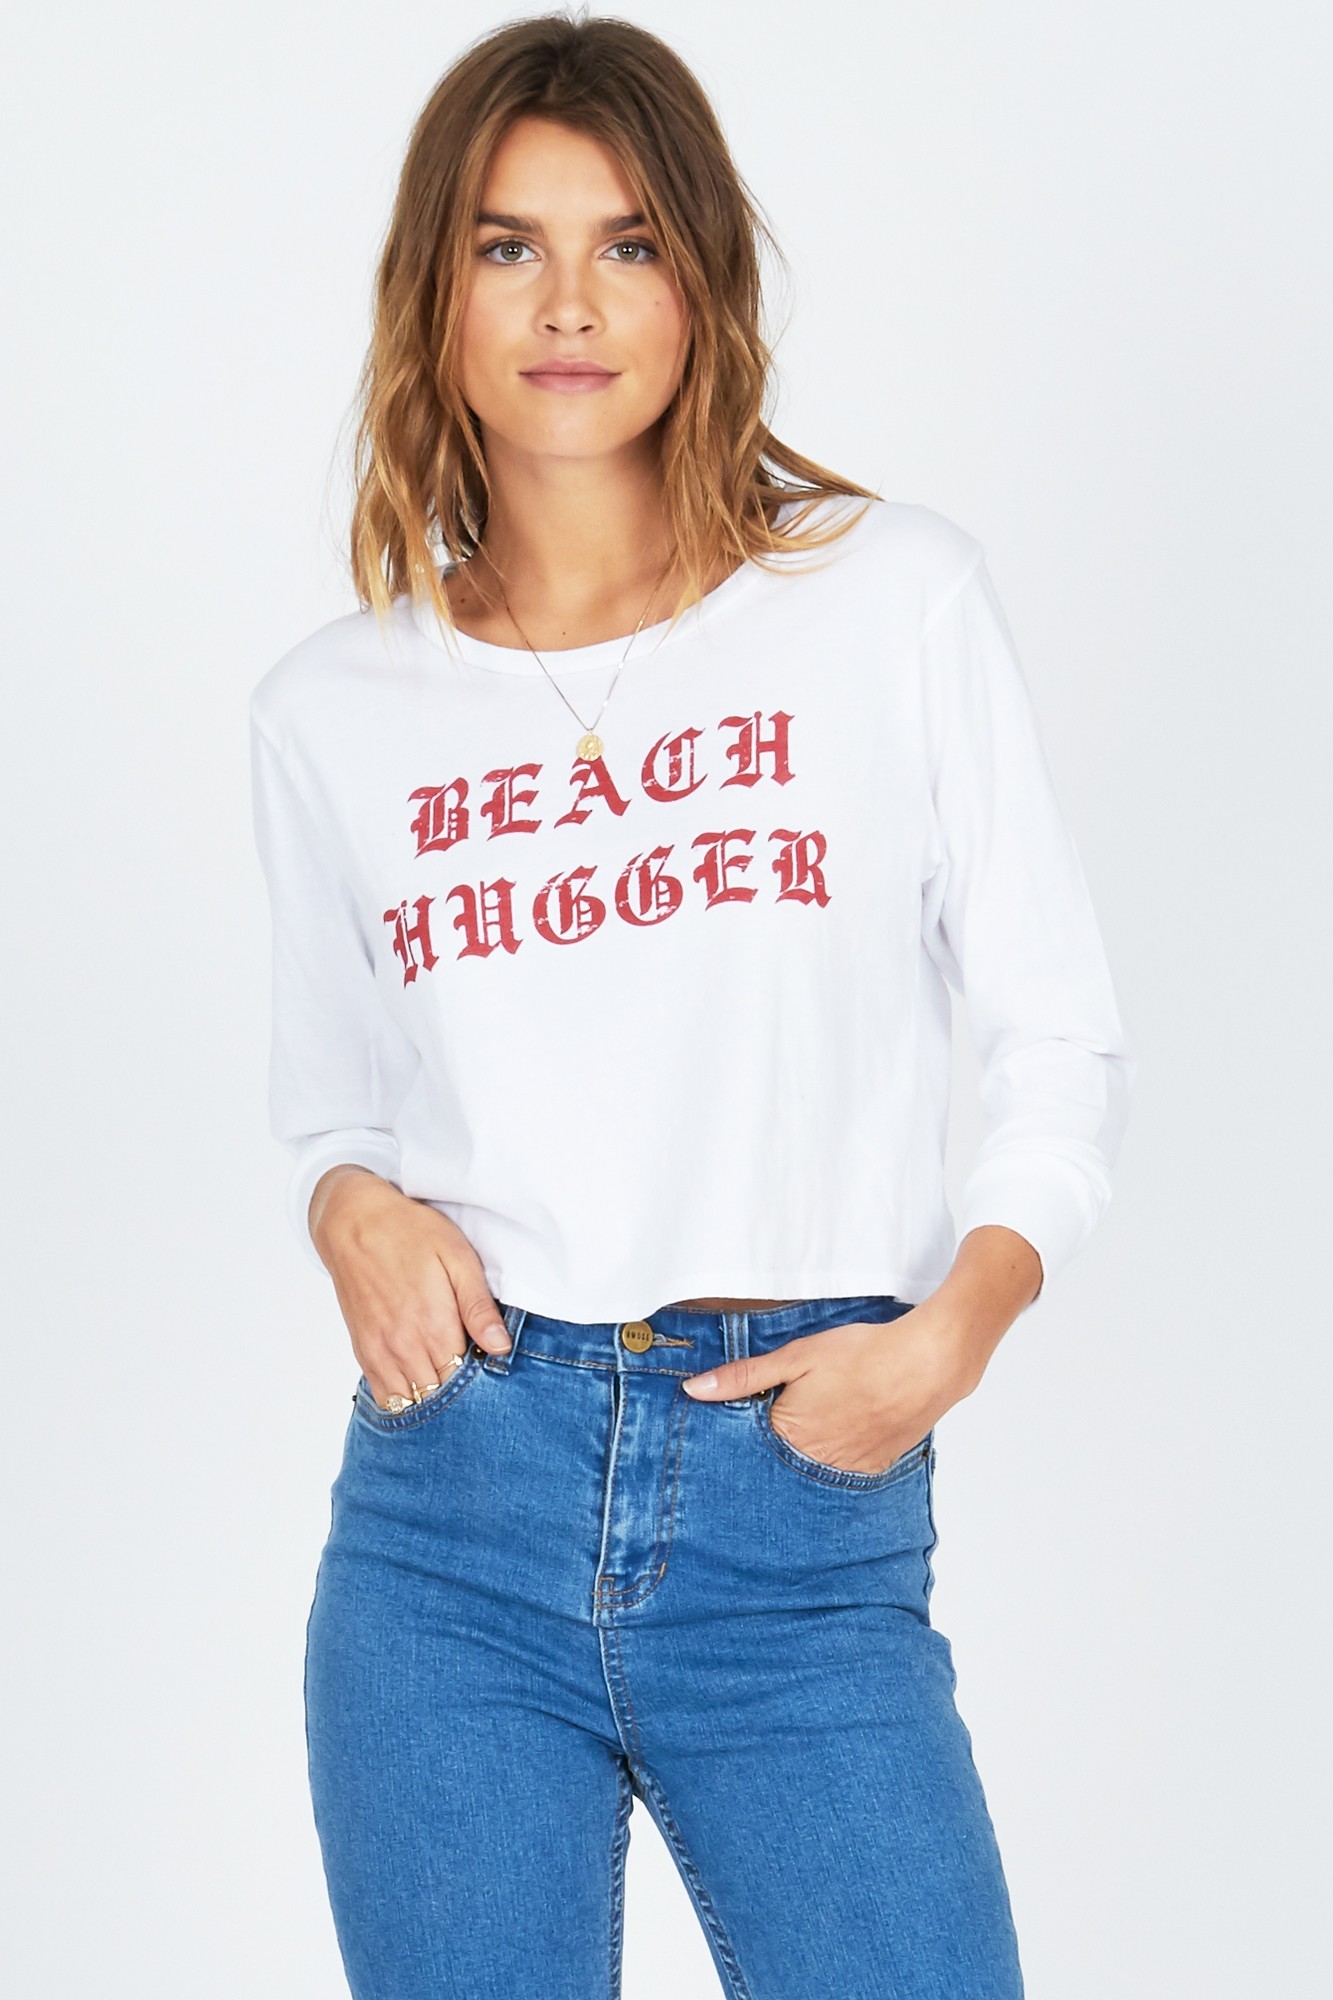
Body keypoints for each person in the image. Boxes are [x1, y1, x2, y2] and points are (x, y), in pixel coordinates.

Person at [248, 15, 1133, 1999]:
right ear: (434, 293)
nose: (569, 302)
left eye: (628, 243)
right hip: (449, 1528)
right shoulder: (330, 711)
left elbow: (1055, 1039)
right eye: (508, 246)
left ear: (701, 282)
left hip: (798, 1515)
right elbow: (334, 1107)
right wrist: (347, 1205)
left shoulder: (888, 601)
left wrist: (948, 1337)